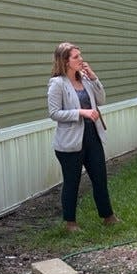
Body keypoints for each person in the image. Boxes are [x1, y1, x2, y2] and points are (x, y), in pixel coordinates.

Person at [48, 42, 120, 232]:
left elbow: (101, 100)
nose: (81, 59)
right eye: (76, 57)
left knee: (100, 177)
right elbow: (54, 113)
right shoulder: (57, 84)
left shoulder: (86, 79)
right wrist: (81, 112)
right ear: (65, 61)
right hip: (70, 141)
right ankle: (70, 223)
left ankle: (108, 216)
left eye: (80, 55)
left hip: (92, 135)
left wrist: (94, 78)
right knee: (72, 181)